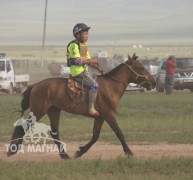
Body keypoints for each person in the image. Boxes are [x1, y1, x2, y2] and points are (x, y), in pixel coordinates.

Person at [66, 23, 100, 117]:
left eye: (87, 34)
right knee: (95, 85)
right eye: (84, 34)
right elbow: (77, 61)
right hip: (78, 72)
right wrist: (92, 60)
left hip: (85, 71)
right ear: (78, 35)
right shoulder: (73, 45)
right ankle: (90, 108)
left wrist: (95, 65)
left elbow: (87, 60)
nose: (87, 36)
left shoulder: (84, 45)